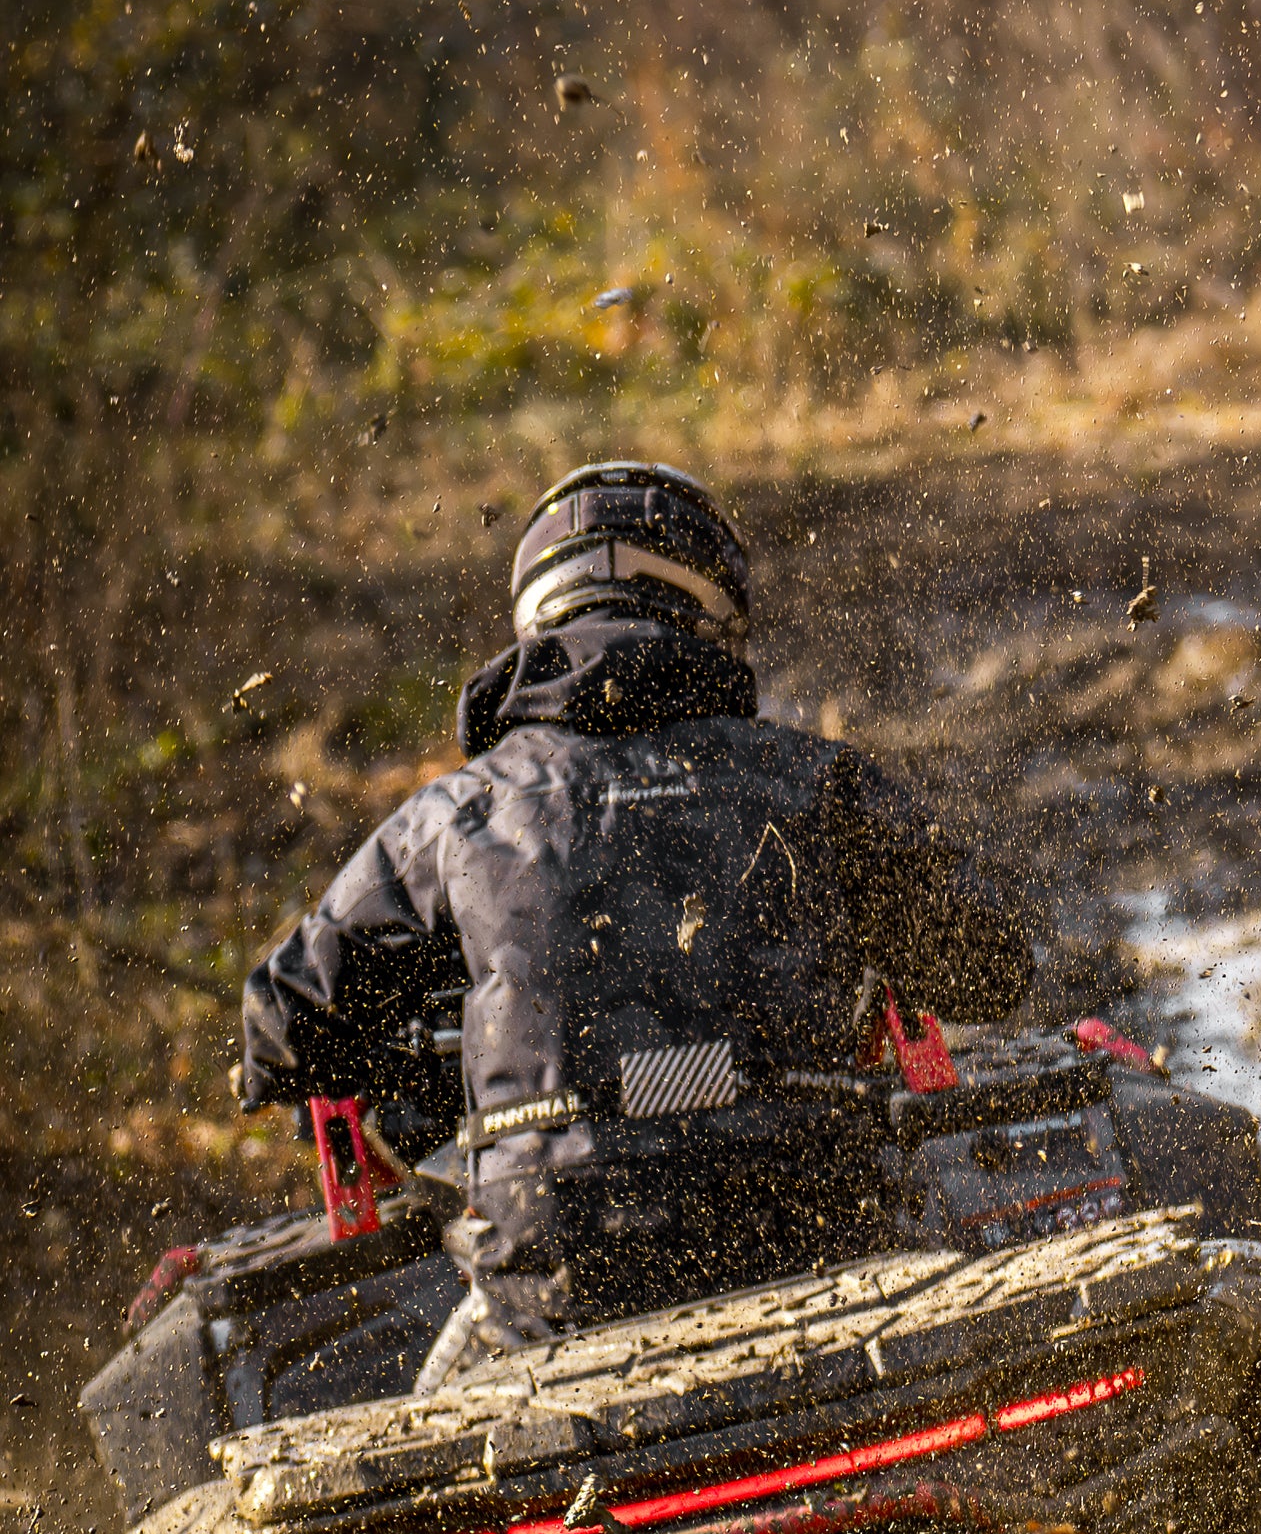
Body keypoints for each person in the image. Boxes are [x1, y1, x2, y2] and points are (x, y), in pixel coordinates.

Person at [236, 460, 1033, 1385]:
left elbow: (281, 1031)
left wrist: (418, 1085)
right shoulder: (810, 780)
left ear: (539, 618)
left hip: (563, 1269)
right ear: (713, 613)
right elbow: (990, 966)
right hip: (818, 1224)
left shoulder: (458, 816)